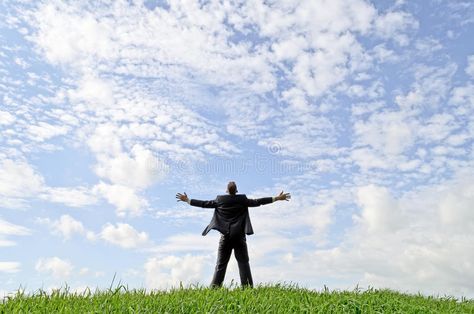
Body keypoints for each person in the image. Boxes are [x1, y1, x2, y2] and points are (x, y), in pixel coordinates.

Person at [176, 181, 291, 288]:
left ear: (227, 191)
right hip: (239, 237)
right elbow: (258, 202)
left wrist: (188, 200)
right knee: (243, 263)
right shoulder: (242, 200)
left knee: (221, 264)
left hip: (225, 237)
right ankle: (247, 289)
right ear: (236, 191)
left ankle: (214, 289)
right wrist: (276, 198)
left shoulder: (219, 200)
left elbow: (204, 204)